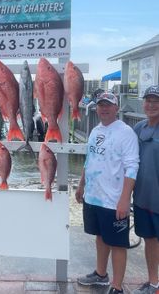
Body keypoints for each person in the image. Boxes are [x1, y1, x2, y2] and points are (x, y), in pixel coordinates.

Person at [75, 92, 139, 294]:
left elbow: (132, 167)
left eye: (108, 105)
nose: (104, 109)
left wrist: (124, 200)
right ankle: (101, 275)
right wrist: (81, 184)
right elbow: (89, 159)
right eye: (101, 105)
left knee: (118, 244)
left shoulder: (126, 132)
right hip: (93, 196)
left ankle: (117, 287)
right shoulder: (95, 130)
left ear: (116, 108)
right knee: (100, 237)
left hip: (114, 200)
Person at [132, 85, 159, 294]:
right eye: (148, 100)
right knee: (150, 241)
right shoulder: (138, 128)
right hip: (142, 198)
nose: (151, 105)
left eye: (156, 101)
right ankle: (153, 283)